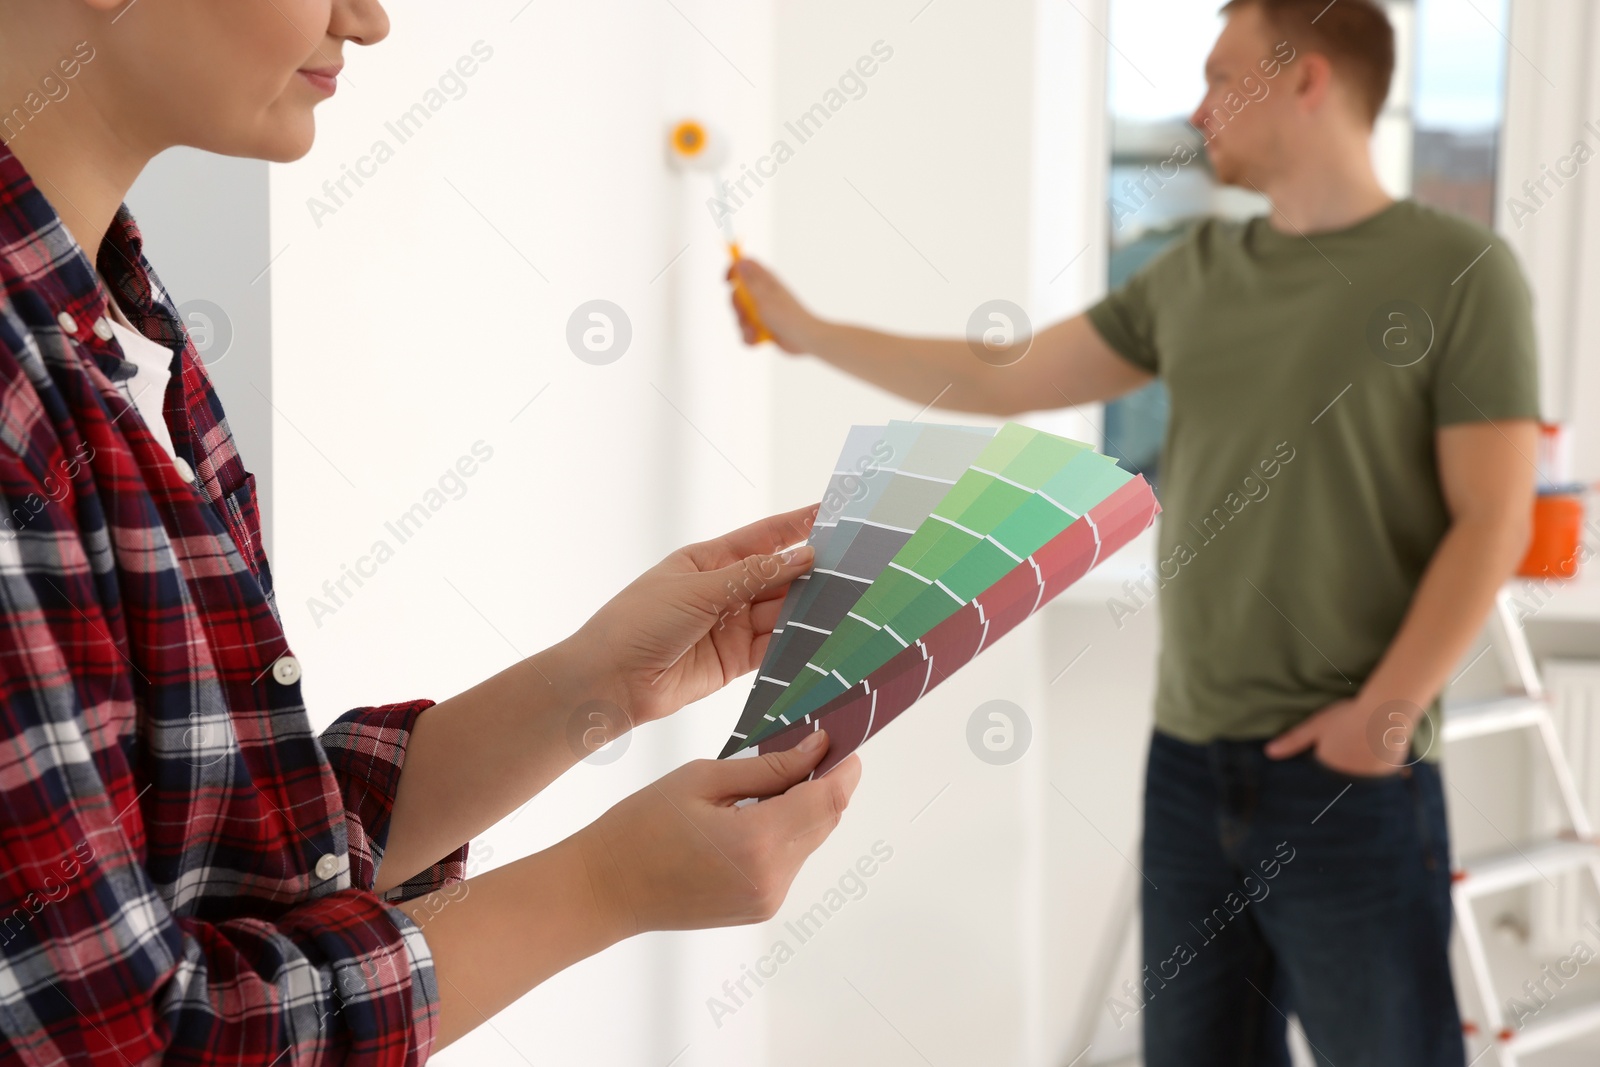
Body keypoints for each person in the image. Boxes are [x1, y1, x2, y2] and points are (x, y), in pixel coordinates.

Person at [0, 1, 862, 1063]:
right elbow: (123, 1040)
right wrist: (606, 884)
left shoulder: (111, 321)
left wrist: (593, 688)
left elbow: (213, 856)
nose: (368, 20)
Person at [729, 0, 1538, 1063]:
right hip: (1192, 765)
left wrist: (1382, 716)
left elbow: (1494, 516)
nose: (1197, 108)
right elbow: (1001, 370)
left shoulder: (1459, 270)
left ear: (1310, 81)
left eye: (1222, 76)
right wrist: (809, 331)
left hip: (1350, 782)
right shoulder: (1198, 271)